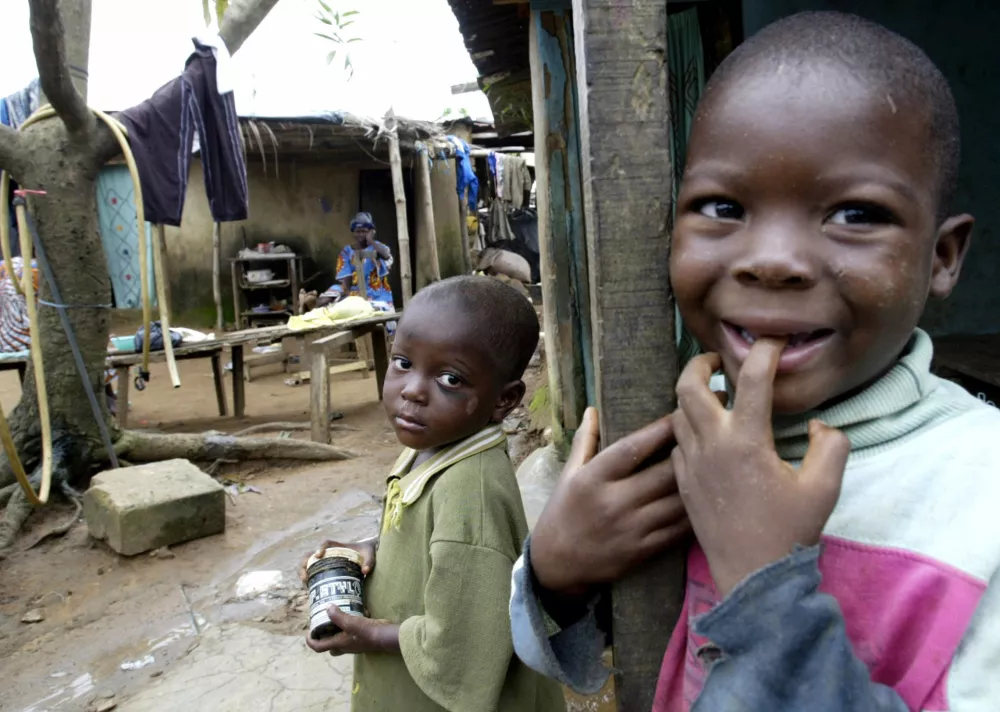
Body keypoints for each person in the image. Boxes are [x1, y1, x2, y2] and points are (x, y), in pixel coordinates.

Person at [509, 11, 1000, 711]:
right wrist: (558, 572)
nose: (772, 261)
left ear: (942, 259)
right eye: (721, 206)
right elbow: (585, 647)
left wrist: (765, 588)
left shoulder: (983, 500)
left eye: (856, 215)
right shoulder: (676, 440)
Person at [301, 276, 566, 712]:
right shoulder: (431, 448)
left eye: (449, 378)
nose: (413, 390)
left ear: (504, 401)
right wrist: (372, 550)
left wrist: (370, 634)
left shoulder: (470, 491)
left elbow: (465, 645)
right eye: (403, 362)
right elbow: (431, 541)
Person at [320, 212, 395, 316]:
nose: (361, 235)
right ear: (353, 232)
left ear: (371, 232)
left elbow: (386, 255)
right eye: (357, 231)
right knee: (325, 299)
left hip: (376, 292)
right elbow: (346, 285)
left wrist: (370, 241)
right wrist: (348, 299)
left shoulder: (377, 247)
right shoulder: (346, 252)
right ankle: (309, 306)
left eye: (364, 231)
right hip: (353, 291)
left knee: (379, 312)